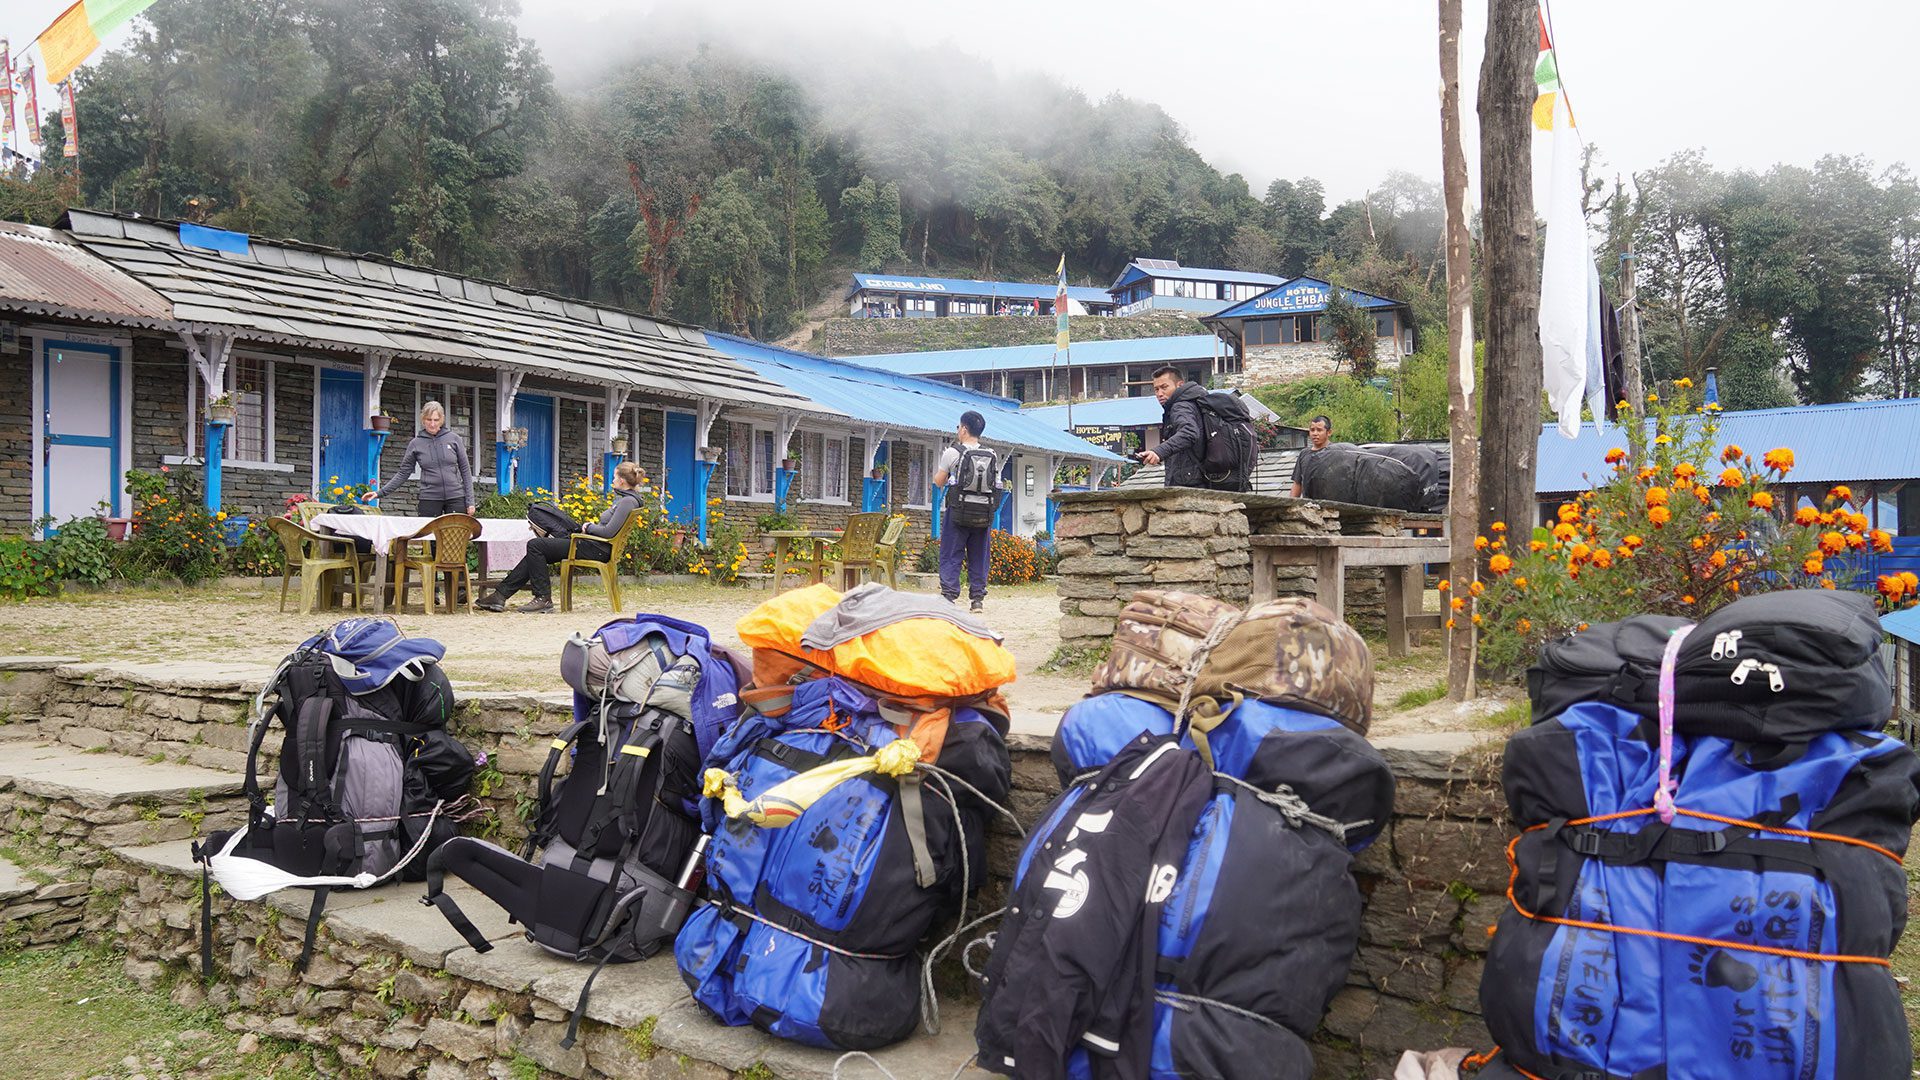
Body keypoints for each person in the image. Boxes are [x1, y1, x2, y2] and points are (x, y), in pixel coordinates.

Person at [479, 461, 644, 614]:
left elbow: (609, 532)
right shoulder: (628, 500)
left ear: (622, 481)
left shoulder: (627, 502)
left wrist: (589, 527)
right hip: (593, 545)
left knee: (536, 545)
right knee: (537, 550)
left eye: (614, 477)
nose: (612, 480)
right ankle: (500, 596)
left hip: (596, 549)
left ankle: (542, 598)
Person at [932, 410, 997, 614]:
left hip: (958, 511)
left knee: (952, 552)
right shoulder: (992, 454)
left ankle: (949, 596)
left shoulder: (953, 452)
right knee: (979, 554)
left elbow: (939, 481)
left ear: (964, 429)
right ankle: (977, 599)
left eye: (958, 427)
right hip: (983, 512)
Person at [373, 402, 475, 517]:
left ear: (442, 420)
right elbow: (403, 473)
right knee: (427, 535)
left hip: (456, 497)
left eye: (436, 420)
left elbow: (465, 470)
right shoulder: (416, 443)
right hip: (429, 498)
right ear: (423, 420)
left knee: (455, 534)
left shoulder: (454, 439)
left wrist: (470, 502)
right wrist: (380, 493)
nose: (432, 424)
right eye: (428, 419)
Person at [1138, 366, 1210, 488]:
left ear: (1180, 385)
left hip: (1191, 485)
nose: (1159, 394)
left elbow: (1189, 433)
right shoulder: (1195, 403)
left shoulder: (1181, 406)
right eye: (1156, 389)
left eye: (1164, 387)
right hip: (1202, 480)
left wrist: (1159, 452)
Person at [1289, 415, 1333, 498]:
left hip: (1330, 505)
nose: (1315, 433)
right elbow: (1297, 483)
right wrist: (1291, 504)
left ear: (1329, 432)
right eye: (1312, 430)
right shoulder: (1304, 454)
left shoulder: (1335, 452)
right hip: (1308, 505)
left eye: (1319, 430)